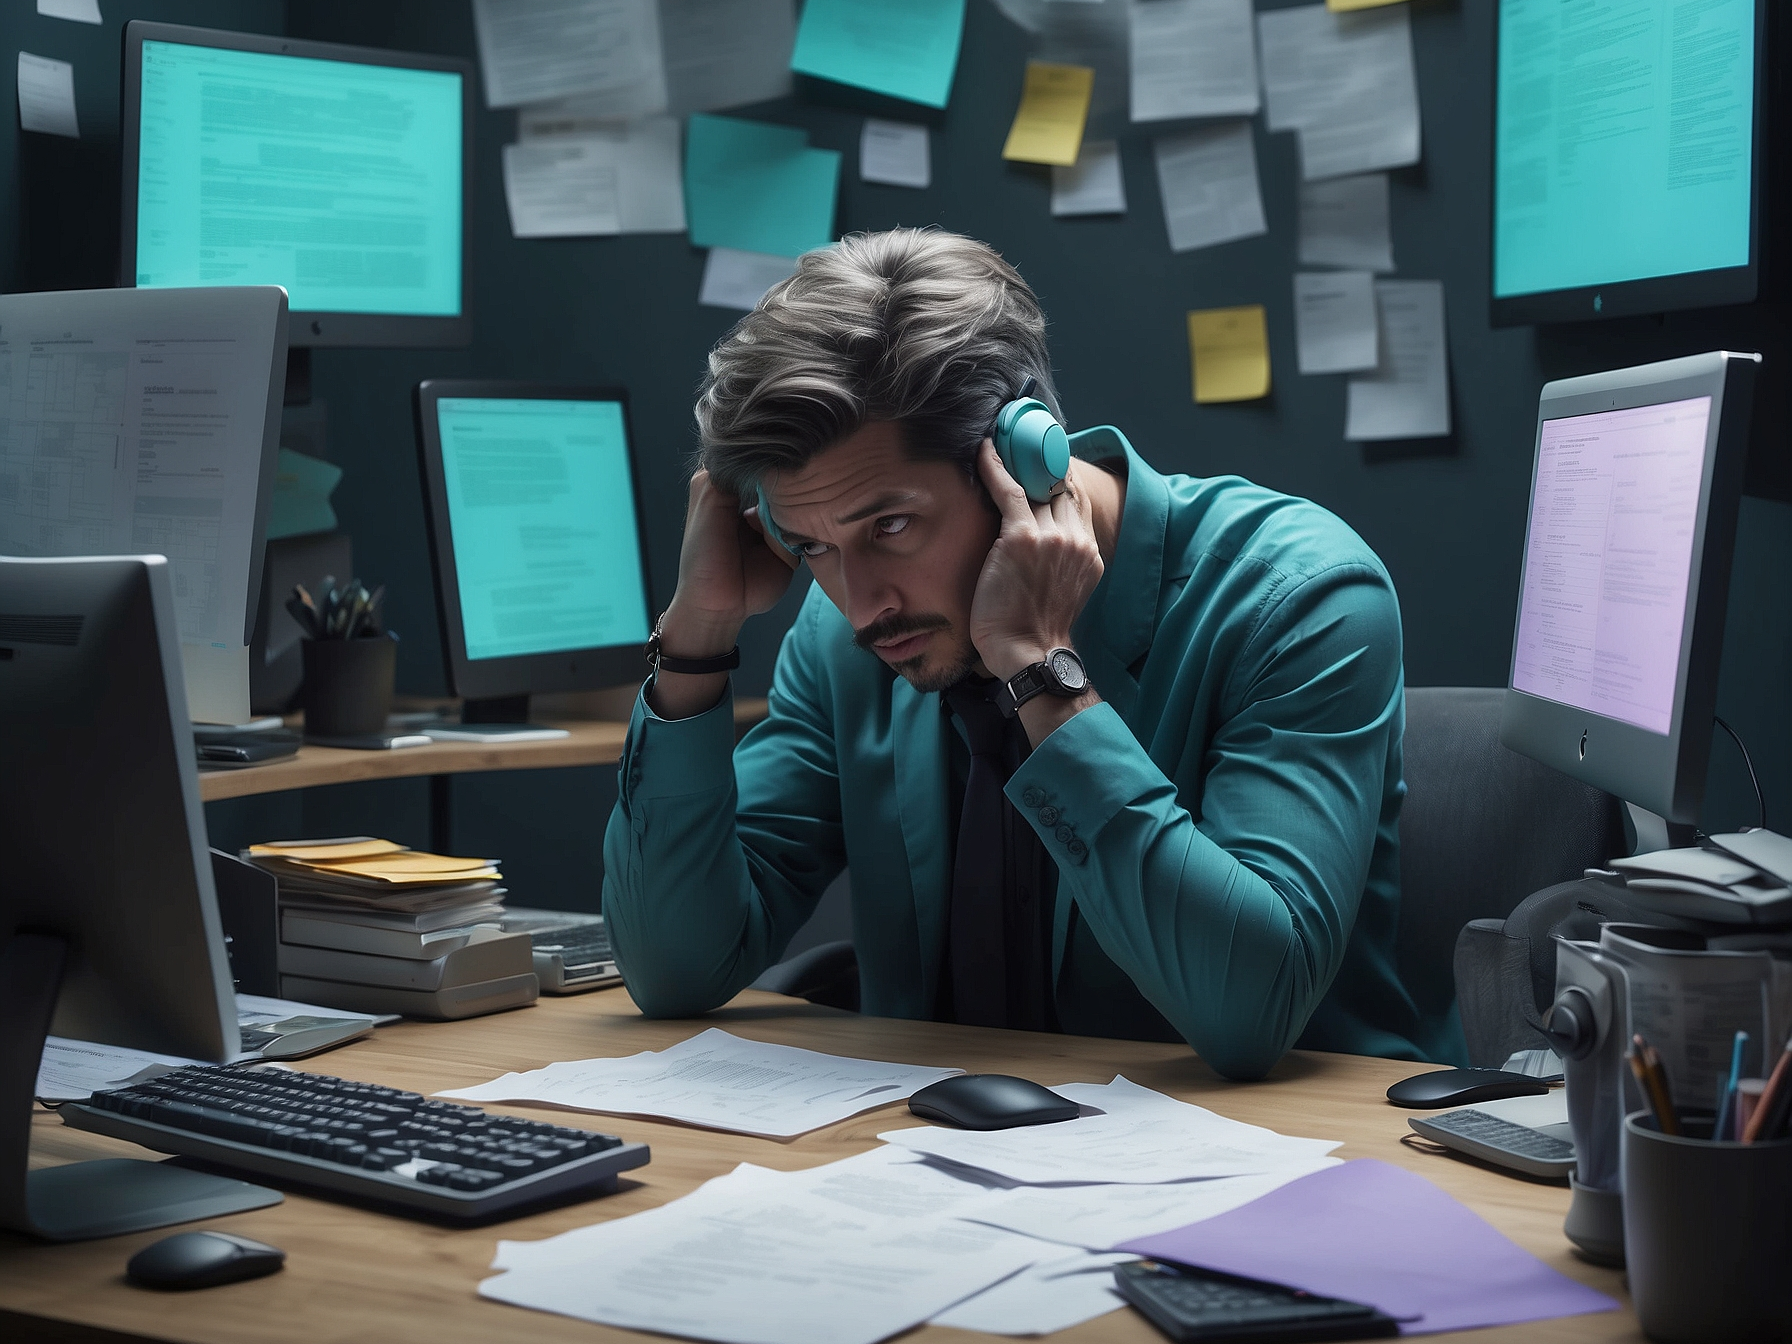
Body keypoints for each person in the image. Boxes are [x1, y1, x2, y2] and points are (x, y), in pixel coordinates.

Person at [603, 228, 1447, 1081]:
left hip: (1282, 1164)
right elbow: (675, 971)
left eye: (890, 526)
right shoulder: (846, 643)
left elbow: (1251, 1011)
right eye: (810, 545)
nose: (860, 604)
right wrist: (697, 638)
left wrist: (1040, 667)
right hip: (941, 1166)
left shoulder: (1300, 596)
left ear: (1023, 463)